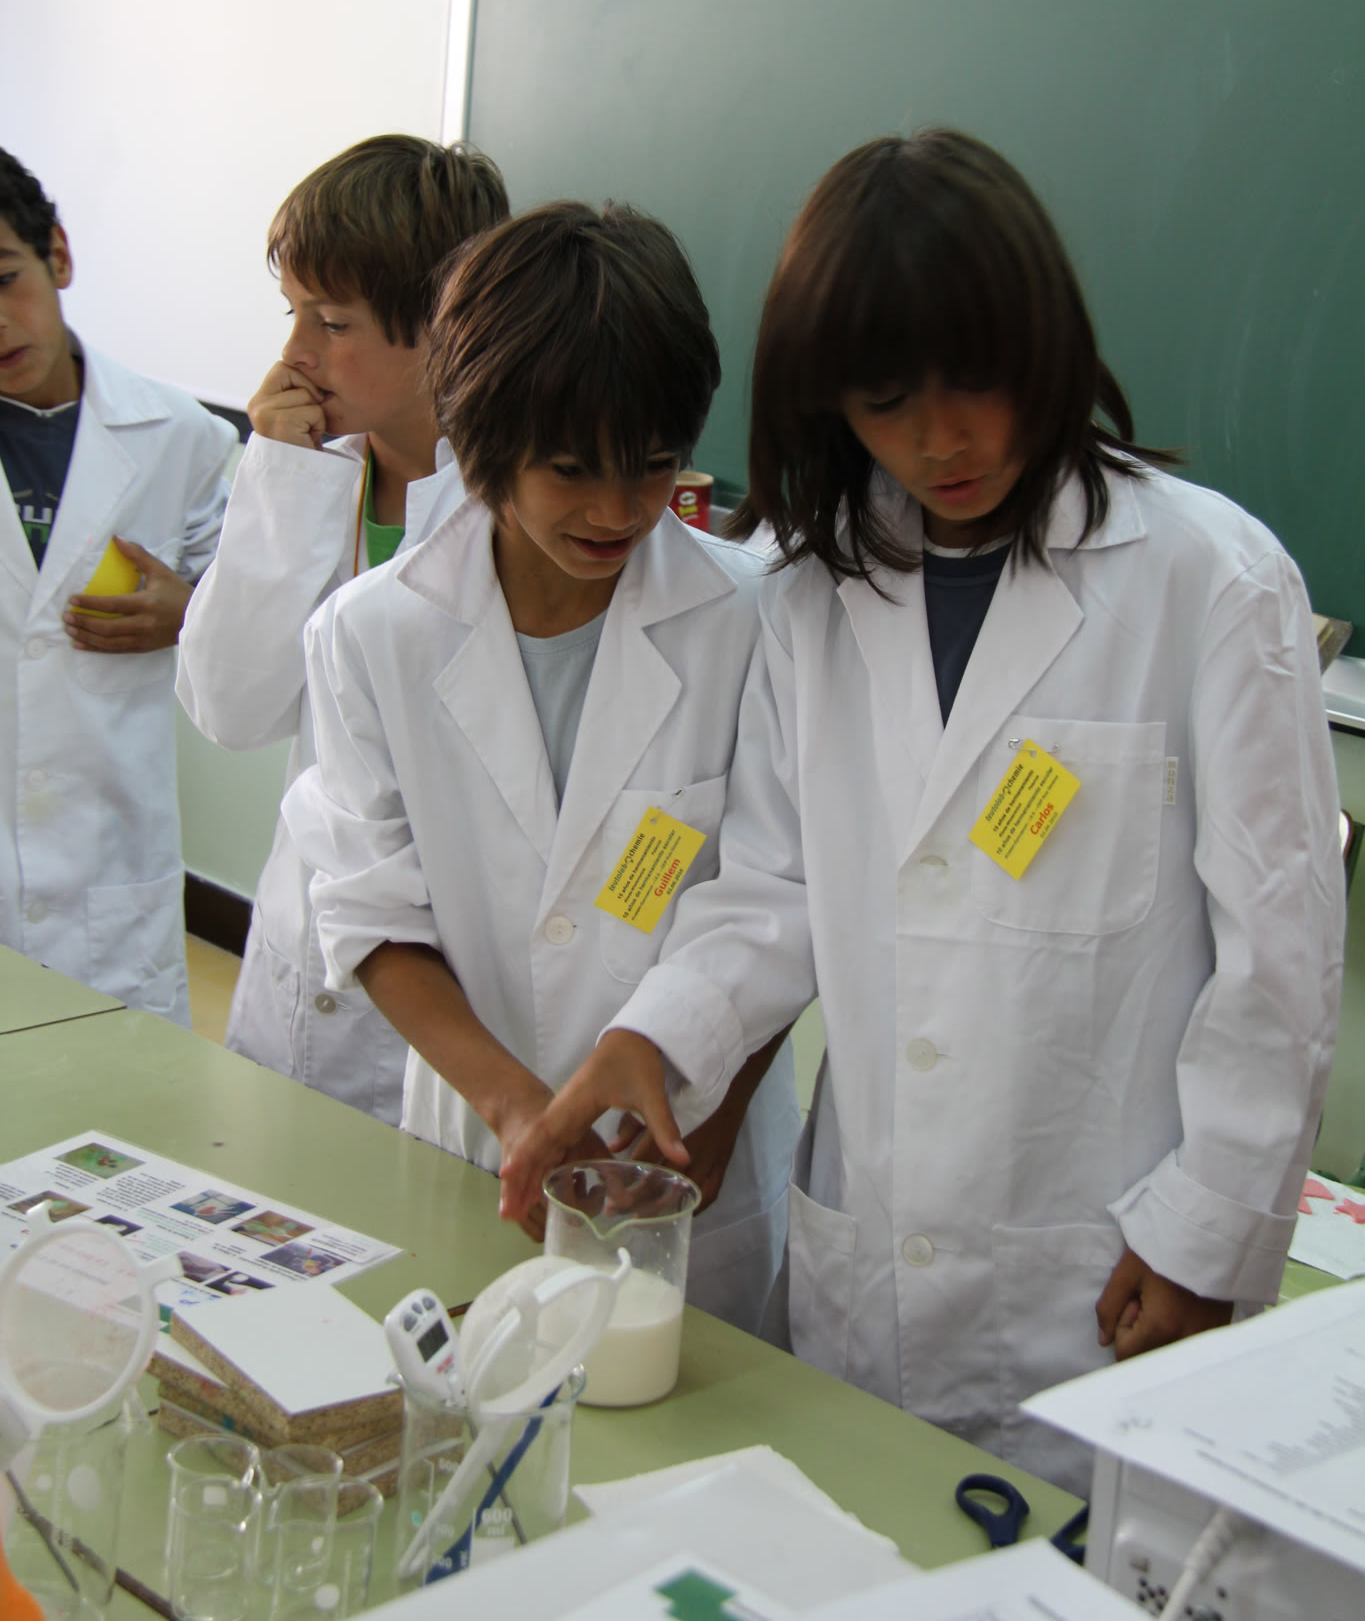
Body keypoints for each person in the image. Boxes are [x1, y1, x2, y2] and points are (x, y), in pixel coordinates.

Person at [498, 130, 1345, 1488]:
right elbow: (774, 889)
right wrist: (655, 1034)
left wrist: (1208, 1230)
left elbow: (1279, 958)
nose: (940, 441)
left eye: (978, 383)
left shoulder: (1211, 581)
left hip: (1107, 1266)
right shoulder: (813, 599)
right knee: (856, 1529)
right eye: (887, 400)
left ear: (1047, 343)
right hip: (873, 1260)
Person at [282, 202, 800, 1331]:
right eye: (571, 471)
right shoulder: (373, 634)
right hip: (480, 1141)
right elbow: (371, 909)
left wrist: (706, 1119)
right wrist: (517, 1107)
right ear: (481, 444)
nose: (618, 511)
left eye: (652, 466)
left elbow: (777, 897)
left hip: (684, 1165)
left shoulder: (757, 621)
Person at [177, 135, 508, 1122]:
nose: (294, 355)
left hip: (445, 999)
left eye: (330, 322)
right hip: (296, 959)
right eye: (291, 314)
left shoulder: (517, 510)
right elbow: (230, 707)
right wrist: (280, 480)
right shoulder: (308, 471)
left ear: (449, 323)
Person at [0, 146, 237, 1022]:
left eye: (4, 279)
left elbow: (258, 628)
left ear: (57, 255)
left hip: (109, 881)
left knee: (114, 1099)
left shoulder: (181, 437)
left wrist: (191, 612)